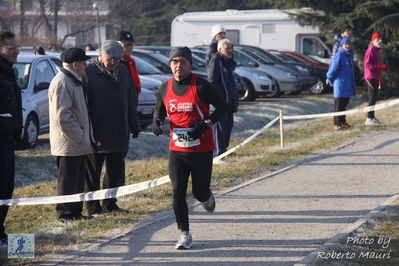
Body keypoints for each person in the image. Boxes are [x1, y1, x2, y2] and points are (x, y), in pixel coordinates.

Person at [152, 46, 229, 249]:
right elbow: (159, 110)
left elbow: (223, 107)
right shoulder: (164, 87)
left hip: (201, 150)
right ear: (170, 65)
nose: (179, 66)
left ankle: (206, 195)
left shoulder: (201, 85)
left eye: (183, 62)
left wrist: (205, 125)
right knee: (177, 191)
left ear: (190, 64)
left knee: (199, 192)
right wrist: (156, 122)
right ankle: (184, 233)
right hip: (177, 150)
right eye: (175, 62)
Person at [82, 40, 141, 216]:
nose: (114, 62)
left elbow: (129, 100)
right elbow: (83, 105)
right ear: (101, 55)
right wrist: (87, 132)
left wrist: (134, 124)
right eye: (110, 59)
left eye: (117, 59)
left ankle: (110, 203)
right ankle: (93, 207)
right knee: (92, 174)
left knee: (115, 172)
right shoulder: (89, 73)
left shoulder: (123, 71)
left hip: (119, 131)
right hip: (96, 133)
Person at [48, 47, 94, 221]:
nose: (86, 66)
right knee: (68, 181)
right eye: (84, 63)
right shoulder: (62, 82)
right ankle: (65, 214)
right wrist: (80, 136)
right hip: (69, 143)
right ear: (75, 64)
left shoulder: (74, 80)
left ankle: (75, 213)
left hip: (76, 143)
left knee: (76, 180)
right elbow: (62, 117)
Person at [0, 30, 23, 250]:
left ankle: (0, 233)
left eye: (17, 47)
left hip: (8, 140)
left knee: (6, 190)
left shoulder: (9, 72)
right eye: (11, 48)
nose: (16, 51)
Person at [207, 39, 238, 158]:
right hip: (221, 103)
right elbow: (212, 82)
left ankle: (224, 150)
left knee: (227, 129)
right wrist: (221, 99)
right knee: (218, 130)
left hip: (230, 103)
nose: (230, 50)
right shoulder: (216, 61)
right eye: (227, 48)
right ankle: (218, 154)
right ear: (220, 49)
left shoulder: (229, 63)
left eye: (231, 48)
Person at [327, 37, 356, 131]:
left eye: (349, 44)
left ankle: (343, 121)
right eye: (345, 44)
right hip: (340, 84)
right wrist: (331, 80)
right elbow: (332, 70)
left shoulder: (349, 55)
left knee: (344, 104)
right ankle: (336, 123)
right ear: (342, 45)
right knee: (338, 105)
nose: (347, 46)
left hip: (347, 85)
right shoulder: (339, 55)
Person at [364, 32, 389, 126]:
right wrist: (379, 67)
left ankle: (372, 117)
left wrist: (379, 78)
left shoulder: (377, 51)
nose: (380, 41)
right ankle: (369, 118)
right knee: (372, 98)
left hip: (375, 77)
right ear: (373, 40)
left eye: (381, 39)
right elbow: (367, 65)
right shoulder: (370, 50)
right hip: (369, 76)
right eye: (377, 39)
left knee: (375, 98)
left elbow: (377, 67)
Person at [117, 30, 141, 107]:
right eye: (126, 45)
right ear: (119, 45)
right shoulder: (116, 63)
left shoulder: (130, 62)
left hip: (132, 104)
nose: (130, 47)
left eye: (131, 45)